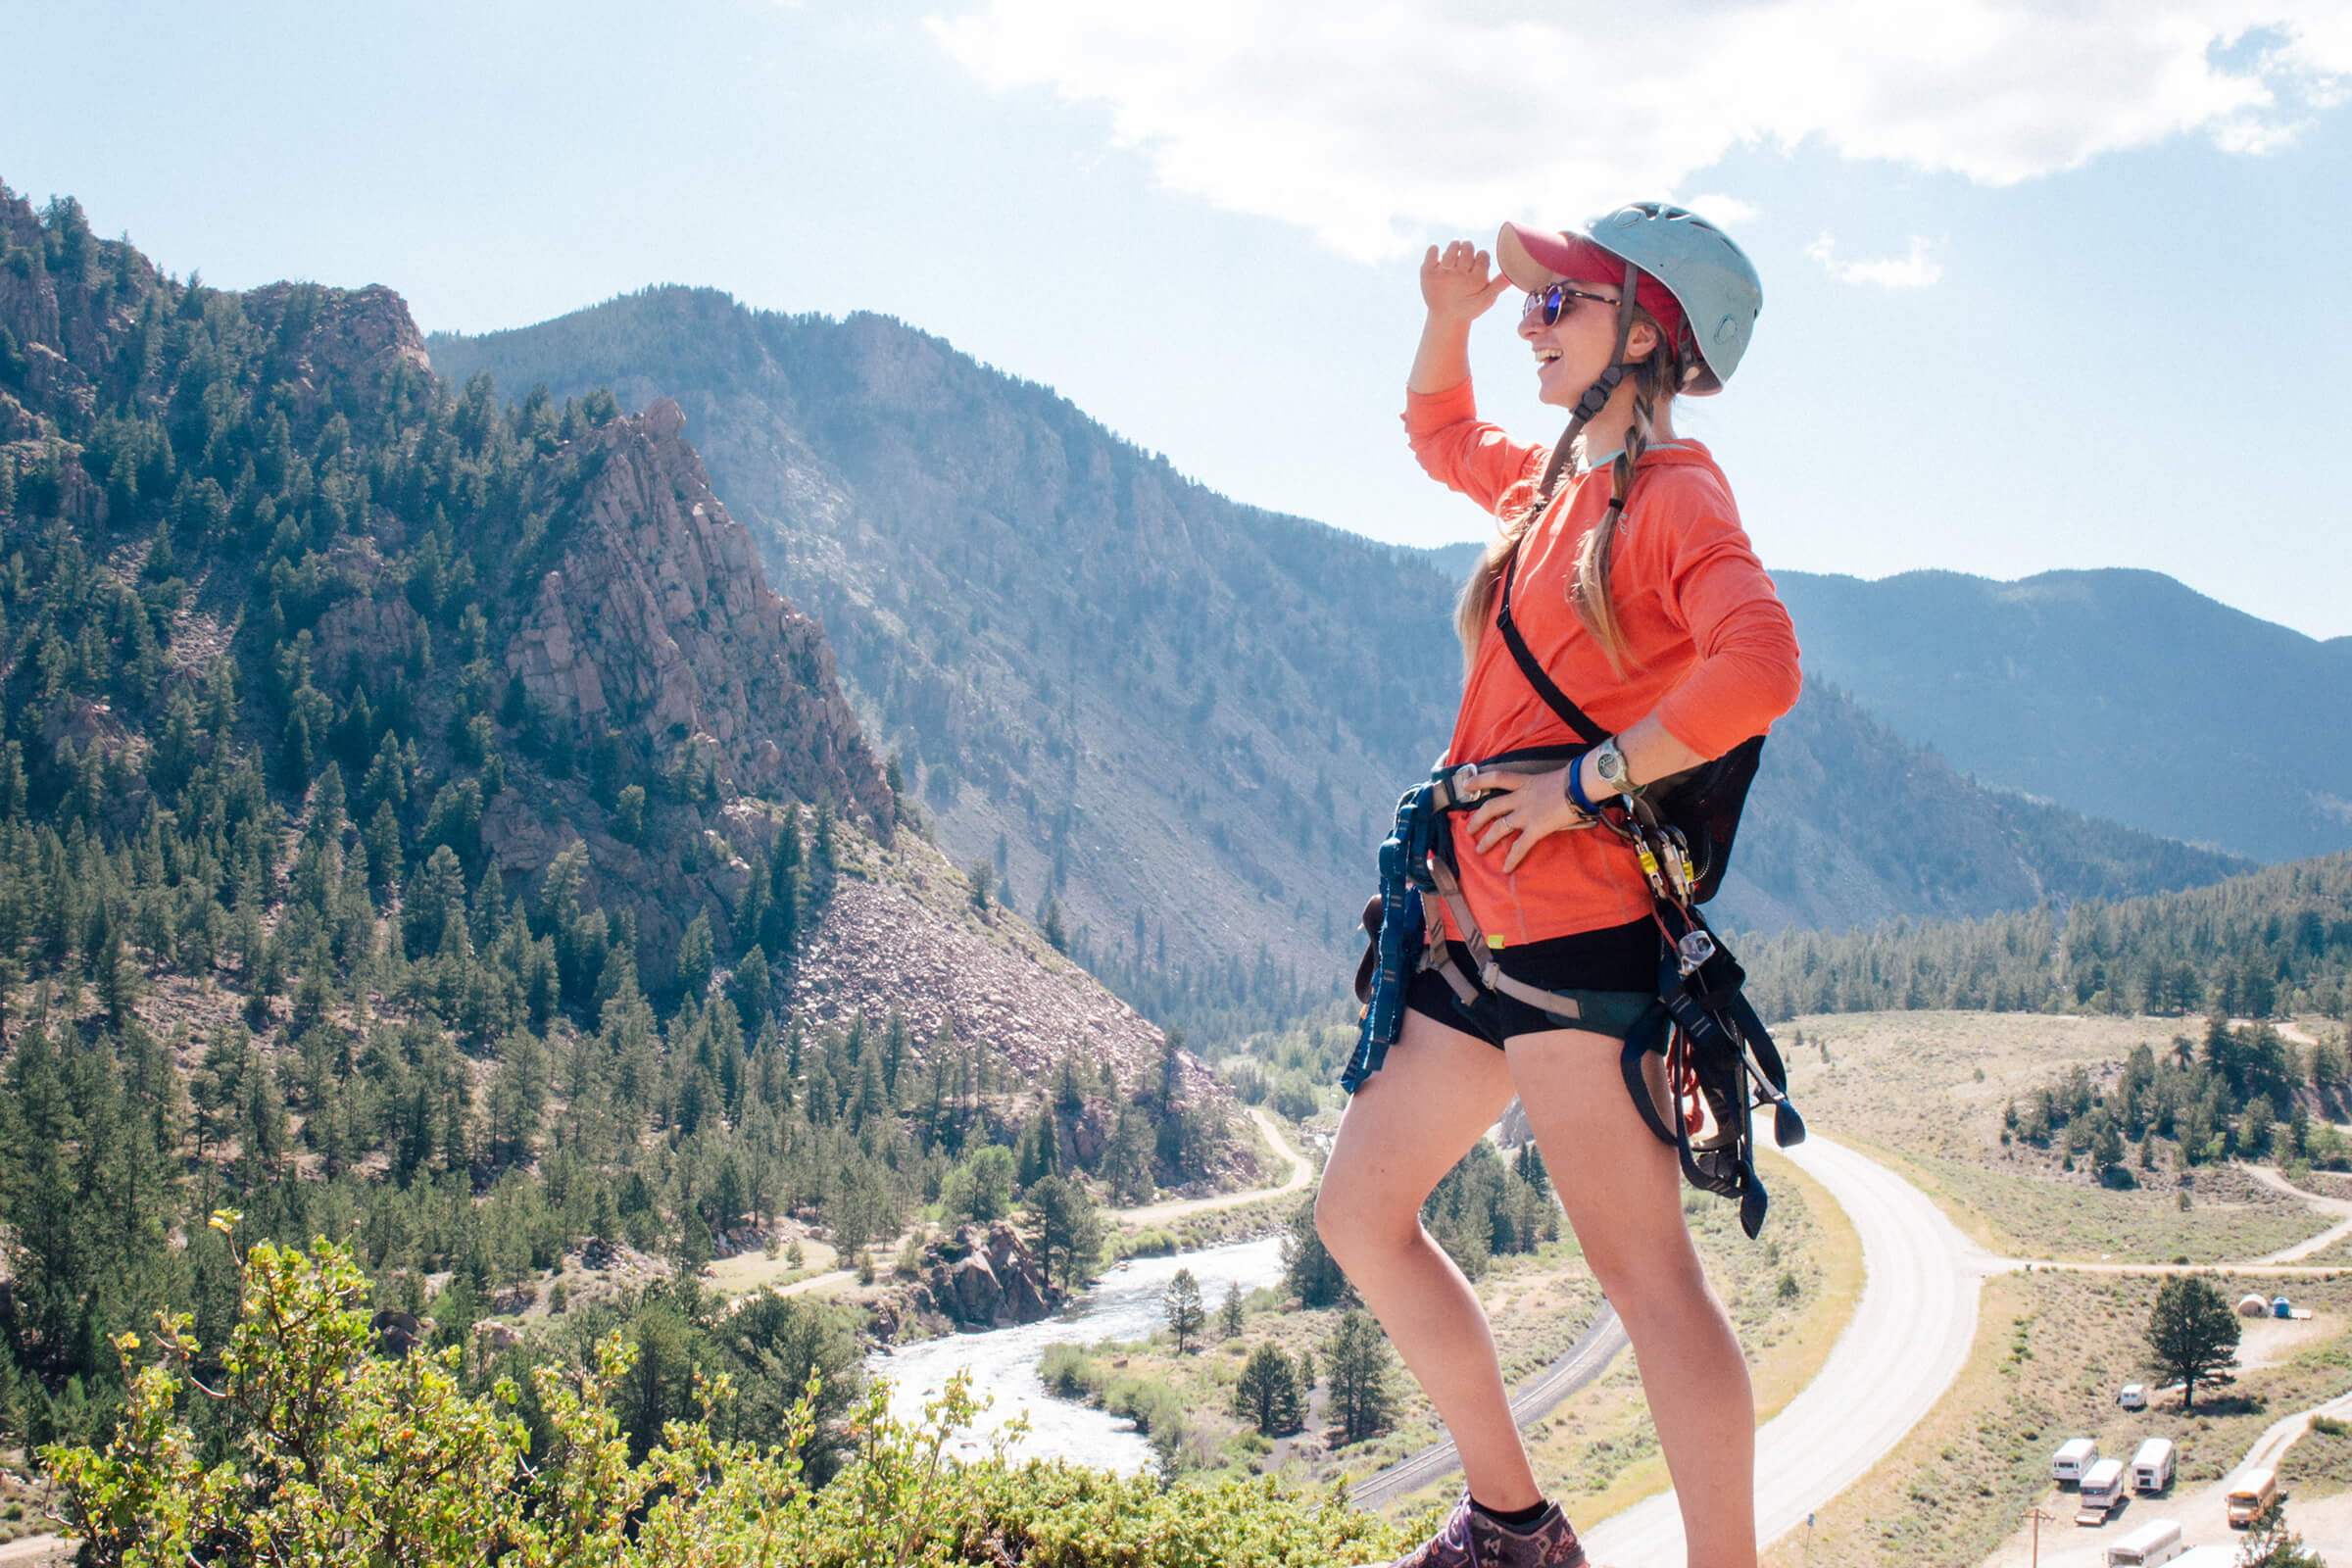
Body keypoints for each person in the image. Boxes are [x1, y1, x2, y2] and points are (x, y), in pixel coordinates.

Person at [1320, 203, 1801, 1568]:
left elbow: (1760, 665)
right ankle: (1514, 1525)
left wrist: (1586, 783)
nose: (1533, 322)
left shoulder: (1671, 497)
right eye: (1535, 307)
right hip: (1474, 927)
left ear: (1642, 334)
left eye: (1557, 304)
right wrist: (1447, 321)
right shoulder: (1553, 488)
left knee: (1649, 1287)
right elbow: (1434, 436)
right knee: (1359, 1213)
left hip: (1576, 946)